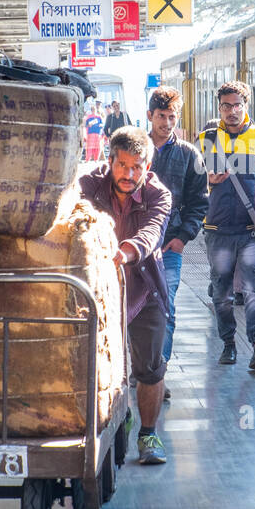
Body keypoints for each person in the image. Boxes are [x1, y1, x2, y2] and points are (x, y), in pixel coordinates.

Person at [78, 127, 173, 465]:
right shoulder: (89, 183)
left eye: (137, 167)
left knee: (149, 368)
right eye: (122, 165)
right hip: (96, 290)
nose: (129, 174)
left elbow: (152, 231)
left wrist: (126, 251)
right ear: (110, 161)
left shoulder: (158, 194)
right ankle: (114, 420)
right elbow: (73, 215)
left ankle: (149, 434)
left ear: (147, 166)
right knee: (97, 364)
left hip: (142, 287)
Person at [198, 81, 255, 370]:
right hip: (217, 229)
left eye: (237, 105)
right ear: (219, 108)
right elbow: (194, 183)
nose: (232, 111)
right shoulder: (206, 138)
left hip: (250, 230)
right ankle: (228, 343)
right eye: (226, 106)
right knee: (222, 292)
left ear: (246, 107)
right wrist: (207, 179)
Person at [147, 86, 209, 383]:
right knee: (134, 310)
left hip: (170, 245)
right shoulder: (134, 149)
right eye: (161, 116)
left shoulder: (188, 154)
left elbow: (200, 200)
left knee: (165, 308)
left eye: (172, 117)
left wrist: (184, 237)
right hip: (135, 246)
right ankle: (141, 367)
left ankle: (158, 372)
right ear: (150, 116)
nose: (167, 123)